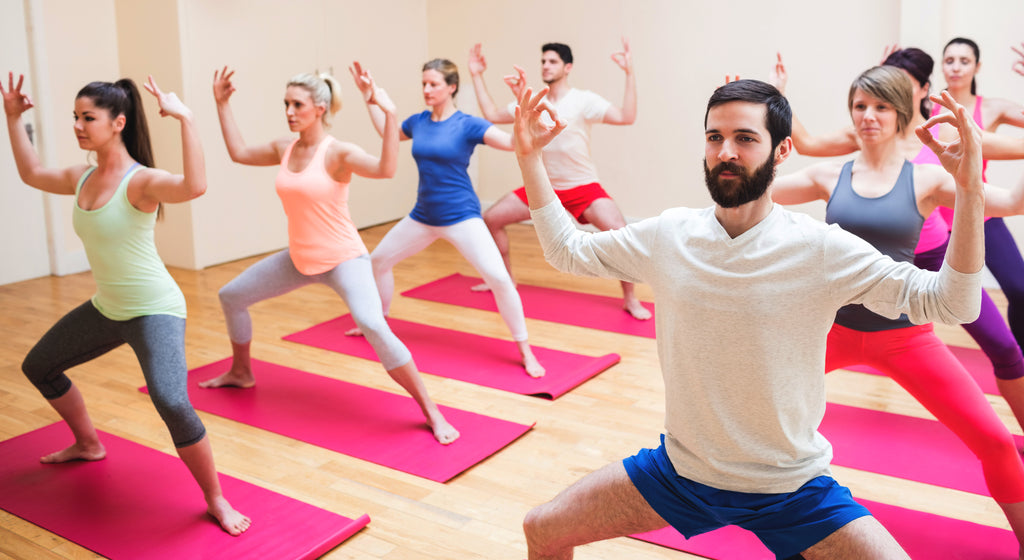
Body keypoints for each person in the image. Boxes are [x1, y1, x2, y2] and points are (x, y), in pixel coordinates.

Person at [514, 71, 988, 557]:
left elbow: (952, 303)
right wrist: (530, 157)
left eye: (745, 138)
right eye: (715, 137)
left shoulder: (820, 249)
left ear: (782, 150)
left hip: (791, 489)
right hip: (682, 473)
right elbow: (566, 251)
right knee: (542, 527)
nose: (726, 152)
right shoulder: (668, 235)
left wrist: (969, 189)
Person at [771, 65, 1024, 556]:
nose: (868, 116)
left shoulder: (927, 177)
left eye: (881, 106)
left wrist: (971, 165)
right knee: (758, 406)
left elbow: (1011, 201)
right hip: (833, 330)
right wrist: (756, 136)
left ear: (901, 114)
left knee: (995, 443)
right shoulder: (830, 173)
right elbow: (759, 197)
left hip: (906, 336)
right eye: (860, 105)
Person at [1, 72, 250, 535]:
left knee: (171, 400)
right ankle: (88, 443)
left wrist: (187, 118)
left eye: (87, 117)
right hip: (108, 307)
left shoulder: (141, 182)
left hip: (154, 308)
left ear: (117, 123)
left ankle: (216, 498)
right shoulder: (82, 176)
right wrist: (13, 119)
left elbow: (195, 187)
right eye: (75, 117)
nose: (77, 125)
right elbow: (32, 173)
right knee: (38, 366)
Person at [197, 65, 460, 444]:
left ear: (319, 108)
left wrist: (388, 116)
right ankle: (241, 372)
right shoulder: (282, 148)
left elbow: (386, 169)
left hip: (343, 260)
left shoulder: (337, 152)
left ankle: (431, 411)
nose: (289, 111)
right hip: (300, 258)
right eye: (286, 103)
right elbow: (238, 153)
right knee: (231, 296)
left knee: (372, 323)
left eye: (297, 104)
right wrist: (221, 104)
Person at [346, 58, 545, 378]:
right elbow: (389, 132)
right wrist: (368, 97)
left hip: (462, 217)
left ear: (451, 87)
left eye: (433, 84)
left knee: (499, 280)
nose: (426, 89)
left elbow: (512, 144)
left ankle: (526, 351)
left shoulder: (469, 124)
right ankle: (379, 325)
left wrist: (524, 113)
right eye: (423, 83)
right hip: (423, 215)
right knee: (378, 260)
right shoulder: (418, 122)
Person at [467, 39, 651, 321]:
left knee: (620, 233)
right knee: (491, 219)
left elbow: (627, 116)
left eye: (552, 61)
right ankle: (507, 281)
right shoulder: (532, 100)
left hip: (581, 186)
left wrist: (629, 72)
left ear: (567, 67)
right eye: (543, 61)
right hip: (542, 187)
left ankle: (630, 298)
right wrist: (476, 74)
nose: (545, 66)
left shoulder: (583, 100)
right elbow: (492, 114)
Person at [932, 38, 1024, 362]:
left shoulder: (991, 107)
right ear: (942, 65)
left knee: (1020, 288)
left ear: (977, 67)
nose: (956, 67)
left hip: (981, 213)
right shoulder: (925, 107)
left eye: (964, 61)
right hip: (933, 222)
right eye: (950, 60)